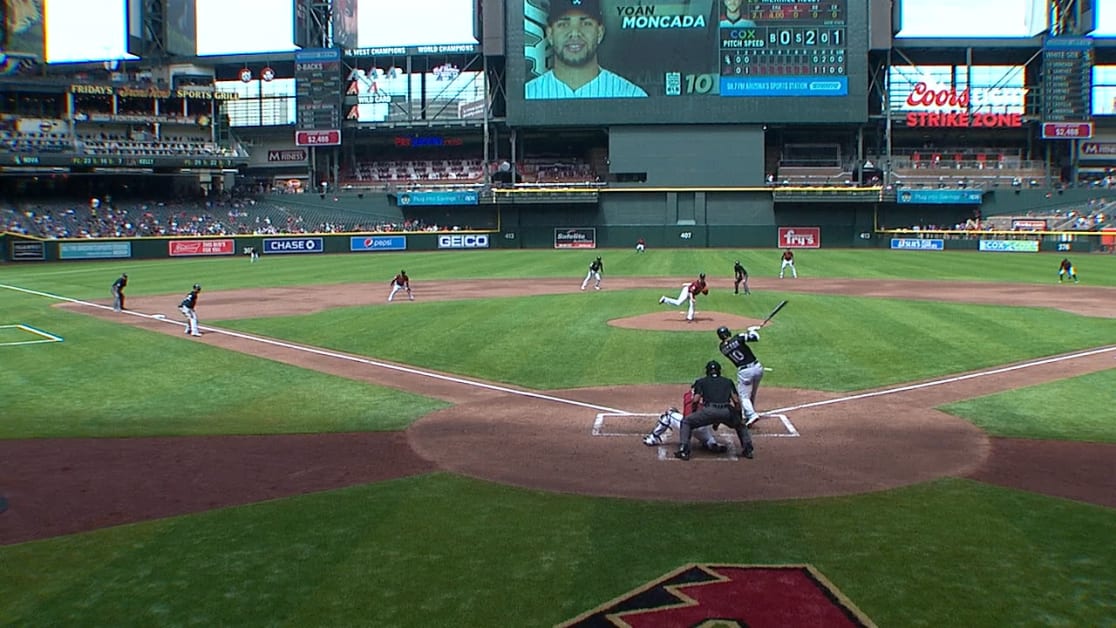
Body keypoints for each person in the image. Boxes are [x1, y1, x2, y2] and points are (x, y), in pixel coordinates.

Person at [525, 0, 648, 99]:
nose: (574, 33)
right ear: (550, 34)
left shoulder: (631, 96)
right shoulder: (528, 96)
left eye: (586, 23)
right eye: (563, 24)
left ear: (600, 33)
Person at [675, 360, 754, 460]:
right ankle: (748, 450)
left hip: (709, 411)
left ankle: (684, 450)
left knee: (686, 421)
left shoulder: (701, 381)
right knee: (741, 426)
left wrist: (694, 413)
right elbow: (736, 401)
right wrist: (738, 417)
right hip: (726, 411)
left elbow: (695, 400)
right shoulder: (728, 381)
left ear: (707, 371)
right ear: (719, 371)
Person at [643, 388, 729, 453]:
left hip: (687, 425)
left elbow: (689, 410)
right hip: (702, 428)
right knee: (706, 434)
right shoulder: (711, 399)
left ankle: (652, 438)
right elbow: (716, 417)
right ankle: (711, 443)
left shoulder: (688, 396)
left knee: (669, 414)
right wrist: (715, 425)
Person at [717, 325, 763, 427]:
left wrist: (749, 332)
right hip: (757, 368)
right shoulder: (739, 337)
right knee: (752, 393)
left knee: (744, 396)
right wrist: (751, 331)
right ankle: (748, 414)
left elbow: (733, 343)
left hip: (745, 372)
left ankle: (751, 414)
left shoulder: (722, 348)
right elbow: (755, 337)